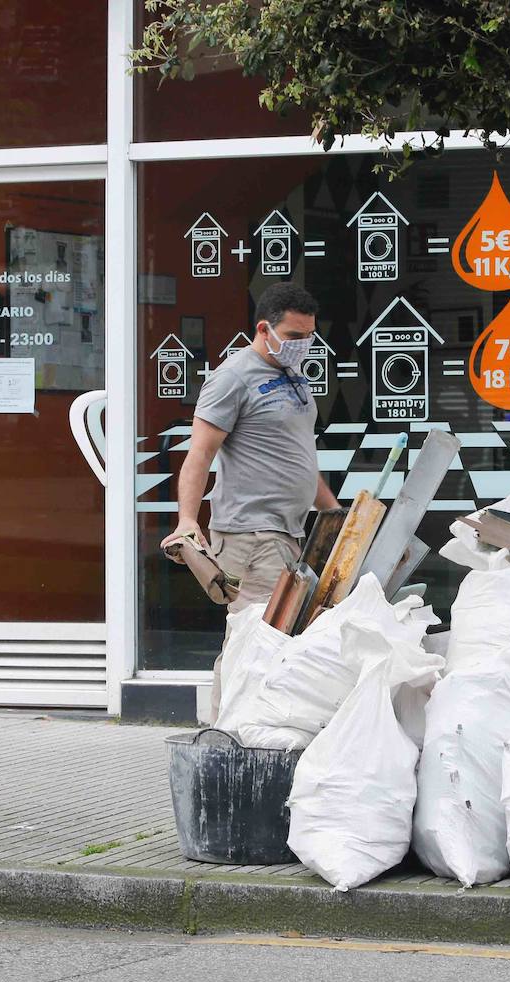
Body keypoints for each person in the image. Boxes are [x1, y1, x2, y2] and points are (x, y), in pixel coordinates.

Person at [161, 283, 340, 719]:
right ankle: (230, 735)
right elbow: (198, 454)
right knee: (253, 641)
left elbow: (296, 457)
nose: (303, 346)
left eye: (309, 336)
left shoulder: (293, 377)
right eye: (294, 337)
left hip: (287, 533)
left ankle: (241, 732)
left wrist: (333, 513)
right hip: (250, 534)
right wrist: (187, 519)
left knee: (266, 640)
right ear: (264, 329)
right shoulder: (233, 378)